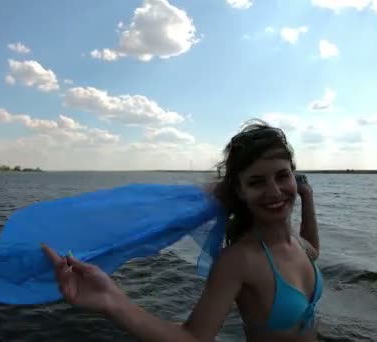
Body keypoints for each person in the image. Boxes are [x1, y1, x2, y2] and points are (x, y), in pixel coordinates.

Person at [42, 119, 322, 342]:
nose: (274, 191)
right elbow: (193, 337)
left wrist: (306, 197)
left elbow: (312, 253)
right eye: (257, 182)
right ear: (240, 190)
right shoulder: (240, 260)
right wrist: (112, 301)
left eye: (282, 176)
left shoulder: (296, 243)